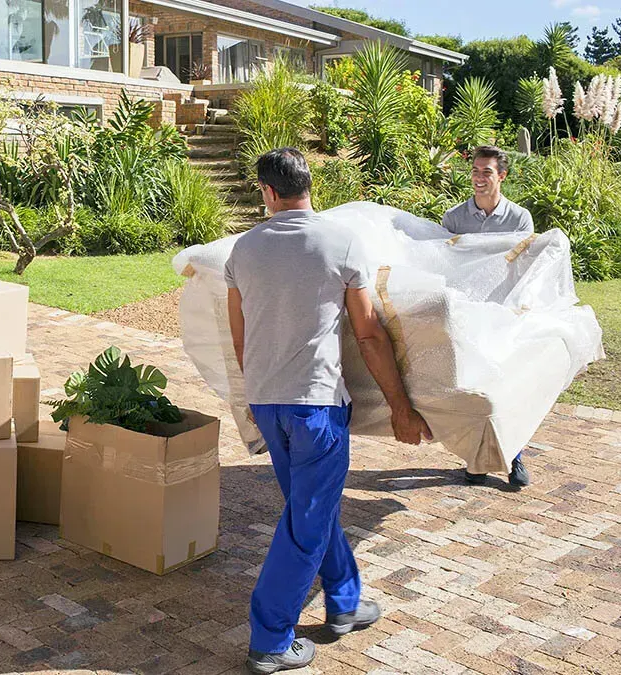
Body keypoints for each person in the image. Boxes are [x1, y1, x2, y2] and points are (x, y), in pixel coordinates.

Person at [226, 148, 433, 674]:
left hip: (268, 402)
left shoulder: (242, 251)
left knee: (311, 509)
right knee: (307, 522)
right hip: (315, 406)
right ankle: (271, 637)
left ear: (267, 193)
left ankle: (344, 601)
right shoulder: (340, 242)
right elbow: (368, 334)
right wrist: (400, 408)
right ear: (309, 187)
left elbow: (239, 337)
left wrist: (251, 399)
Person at [442, 145, 533, 488]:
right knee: (473, 388)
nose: (479, 179)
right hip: (465, 314)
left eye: (487, 172)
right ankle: (476, 461)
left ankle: (514, 458)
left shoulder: (519, 219)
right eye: (476, 171)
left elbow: (521, 267)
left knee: (506, 386)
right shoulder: (454, 218)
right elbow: (446, 265)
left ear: (502, 176)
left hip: (502, 313)